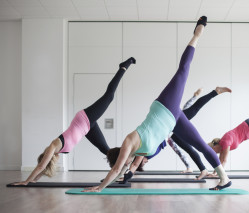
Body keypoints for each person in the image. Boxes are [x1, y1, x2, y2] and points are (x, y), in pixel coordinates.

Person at [83, 16, 232, 192]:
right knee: (200, 144)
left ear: (122, 155)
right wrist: (118, 177)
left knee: (182, 71)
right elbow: (120, 170)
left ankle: (197, 34)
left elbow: (116, 169)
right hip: (172, 120)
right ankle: (224, 179)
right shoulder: (135, 154)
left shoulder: (129, 143)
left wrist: (99, 188)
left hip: (164, 107)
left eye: (124, 161)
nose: (127, 163)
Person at [13, 57, 136, 185]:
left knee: (109, 96)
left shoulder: (53, 146)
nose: (54, 162)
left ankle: (123, 67)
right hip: (87, 128)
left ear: (46, 158)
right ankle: (120, 173)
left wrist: (26, 181)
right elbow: (42, 170)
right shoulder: (57, 150)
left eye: (47, 161)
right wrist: (33, 180)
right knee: (108, 152)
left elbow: (40, 167)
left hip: (84, 119)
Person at [126, 86, 232, 182]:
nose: (146, 163)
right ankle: (203, 169)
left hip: (170, 122)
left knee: (193, 109)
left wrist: (129, 170)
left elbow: (135, 162)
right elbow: (175, 150)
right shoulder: (148, 154)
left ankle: (215, 92)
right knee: (189, 147)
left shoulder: (145, 152)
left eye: (143, 163)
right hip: (172, 131)